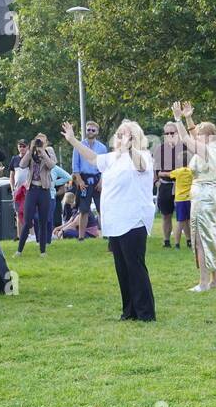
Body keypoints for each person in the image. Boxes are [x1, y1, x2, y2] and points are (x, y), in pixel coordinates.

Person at [62, 119, 156, 320]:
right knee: (122, 268)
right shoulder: (112, 158)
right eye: (120, 134)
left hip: (134, 220)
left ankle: (145, 312)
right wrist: (72, 141)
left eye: (127, 134)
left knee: (135, 267)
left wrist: (130, 148)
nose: (122, 137)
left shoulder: (144, 156)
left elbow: (140, 166)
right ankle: (129, 311)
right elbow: (93, 159)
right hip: (115, 221)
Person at [172, 102, 216, 292]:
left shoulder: (206, 149)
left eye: (200, 133)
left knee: (201, 239)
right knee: (210, 236)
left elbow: (186, 138)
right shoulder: (214, 149)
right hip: (211, 195)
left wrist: (177, 118)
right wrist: (188, 117)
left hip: (203, 197)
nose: (197, 135)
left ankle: (203, 282)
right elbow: (192, 134)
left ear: (207, 136)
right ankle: (215, 279)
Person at [16, 134, 56, 256]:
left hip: (44, 190)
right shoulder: (31, 152)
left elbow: (52, 165)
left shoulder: (49, 151)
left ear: (46, 142)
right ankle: (19, 251)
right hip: (32, 189)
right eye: (37, 139)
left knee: (43, 222)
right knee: (27, 221)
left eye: (42, 139)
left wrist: (42, 152)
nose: (39, 142)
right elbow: (22, 165)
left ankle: (43, 251)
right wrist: (30, 150)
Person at [153, 122, 190, 247]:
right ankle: (166, 241)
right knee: (166, 215)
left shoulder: (185, 147)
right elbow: (155, 169)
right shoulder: (160, 149)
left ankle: (189, 240)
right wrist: (156, 182)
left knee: (185, 216)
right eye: (166, 133)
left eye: (172, 132)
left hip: (183, 186)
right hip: (165, 186)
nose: (169, 135)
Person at [71, 120, 109, 240]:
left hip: (98, 178)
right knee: (84, 210)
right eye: (88, 130)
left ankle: (106, 234)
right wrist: (80, 181)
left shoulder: (102, 148)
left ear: (97, 132)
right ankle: (81, 237)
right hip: (84, 179)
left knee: (101, 208)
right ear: (85, 131)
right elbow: (75, 166)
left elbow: (106, 167)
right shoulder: (79, 146)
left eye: (93, 130)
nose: (90, 132)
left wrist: (102, 181)